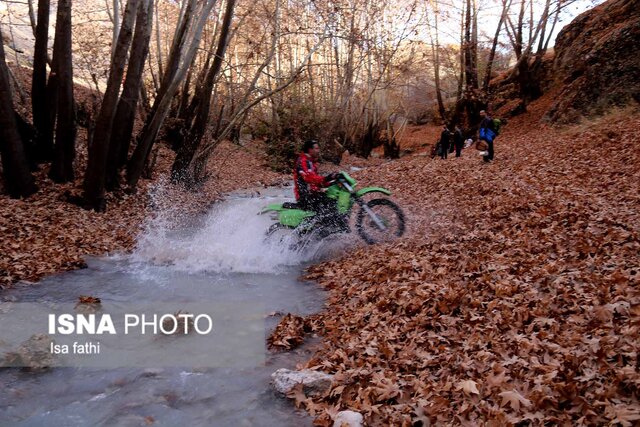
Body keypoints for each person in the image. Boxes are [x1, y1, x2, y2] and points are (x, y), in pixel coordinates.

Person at [293, 140, 342, 227]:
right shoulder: (302, 161)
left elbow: (317, 182)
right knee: (328, 203)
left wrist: (331, 182)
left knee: (333, 199)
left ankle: (329, 227)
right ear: (310, 150)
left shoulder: (310, 162)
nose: (318, 151)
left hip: (311, 193)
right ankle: (321, 229)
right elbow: (308, 178)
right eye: (316, 148)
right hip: (305, 196)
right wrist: (327, 178)